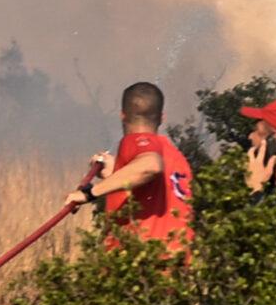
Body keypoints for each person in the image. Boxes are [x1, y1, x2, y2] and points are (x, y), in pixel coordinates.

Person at [67, 81, 195, 250]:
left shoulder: (133, 141)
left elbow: (151, 165)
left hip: (142, 258)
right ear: (162, 117)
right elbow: (148, 185)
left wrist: (88, 193)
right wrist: (115, 171)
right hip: (178, 259)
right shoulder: (177, 158)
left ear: (122, 115)